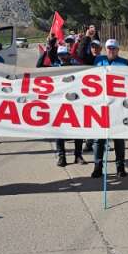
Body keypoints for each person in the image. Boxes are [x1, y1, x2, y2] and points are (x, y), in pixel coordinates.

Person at [39, 39, 85, 167]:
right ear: (58, 56)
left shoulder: (77, 67)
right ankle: (61, 156)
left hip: (75, 103)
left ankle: (78, 155)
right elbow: (38, 67)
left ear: (69, 55)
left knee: (78, 131)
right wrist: (45, 51)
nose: (63, 57)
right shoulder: (54, 68)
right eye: (60, 55)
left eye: (65, 54)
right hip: (59, 105)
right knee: (59, 131)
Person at [91, 39, 128, 178]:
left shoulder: (125, 63)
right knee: (99, 139)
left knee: (119, 139)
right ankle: (98, 167)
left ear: (118, 50)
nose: (111, 51)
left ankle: (120, 167)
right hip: (100, 106)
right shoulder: (98, 60)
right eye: (109, 48)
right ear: (105, 49)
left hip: (118, 106)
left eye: (114, 48)